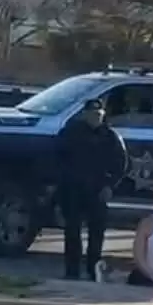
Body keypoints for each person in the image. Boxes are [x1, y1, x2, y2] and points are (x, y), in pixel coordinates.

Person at [56, 98, 127, 280]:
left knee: (97, 234)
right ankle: (71, 272)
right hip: (73, 190)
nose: (95, 117)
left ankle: (93, 271)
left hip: (98, 191)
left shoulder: (111, 137)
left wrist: (110, 186)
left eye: (99, 114)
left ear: (103, 115)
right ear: (85, 114)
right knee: (72, 232)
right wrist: (62, 184)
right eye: (92, 114)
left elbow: (121, 165)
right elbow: (57, 158)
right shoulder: (70, 133)